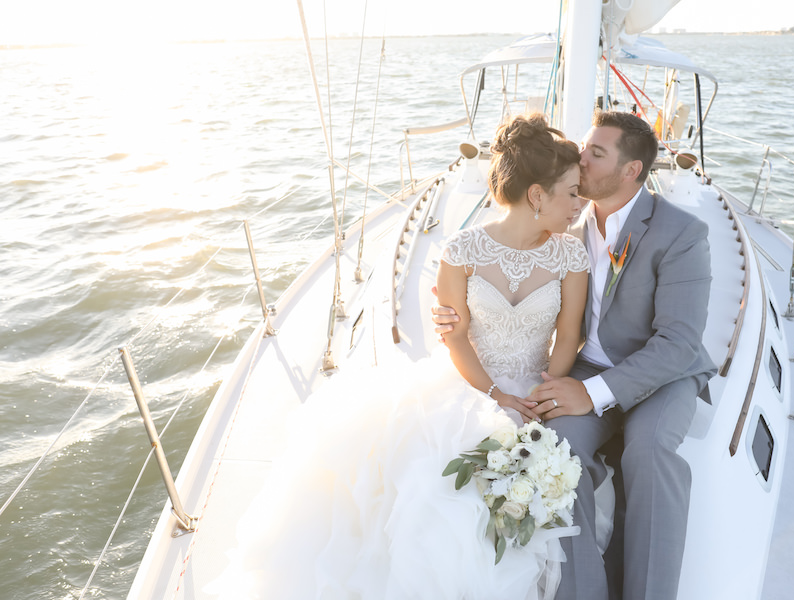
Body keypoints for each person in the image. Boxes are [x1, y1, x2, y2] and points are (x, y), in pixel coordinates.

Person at [210, 113, 603, 600]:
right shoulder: (460, 251)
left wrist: (543, 397)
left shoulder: (570, 255)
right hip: (471, 385)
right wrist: (496, 394)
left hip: (536, 386)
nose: (579, 204)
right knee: (438, 498)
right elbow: (456, 339)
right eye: (571, 191)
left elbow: (567, 337)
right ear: (537, 195)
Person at [433, 110, 716, 600]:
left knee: (648, 452)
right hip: (587, 365)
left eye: (596, 153)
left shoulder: (682, 233)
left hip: (664, 373)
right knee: (557, 449)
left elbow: (679, 343)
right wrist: (453, 320)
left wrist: (592, 393)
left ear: (631, 171)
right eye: (585, 148)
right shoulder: (567, 225)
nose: (581, 160)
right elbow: (501, 256)